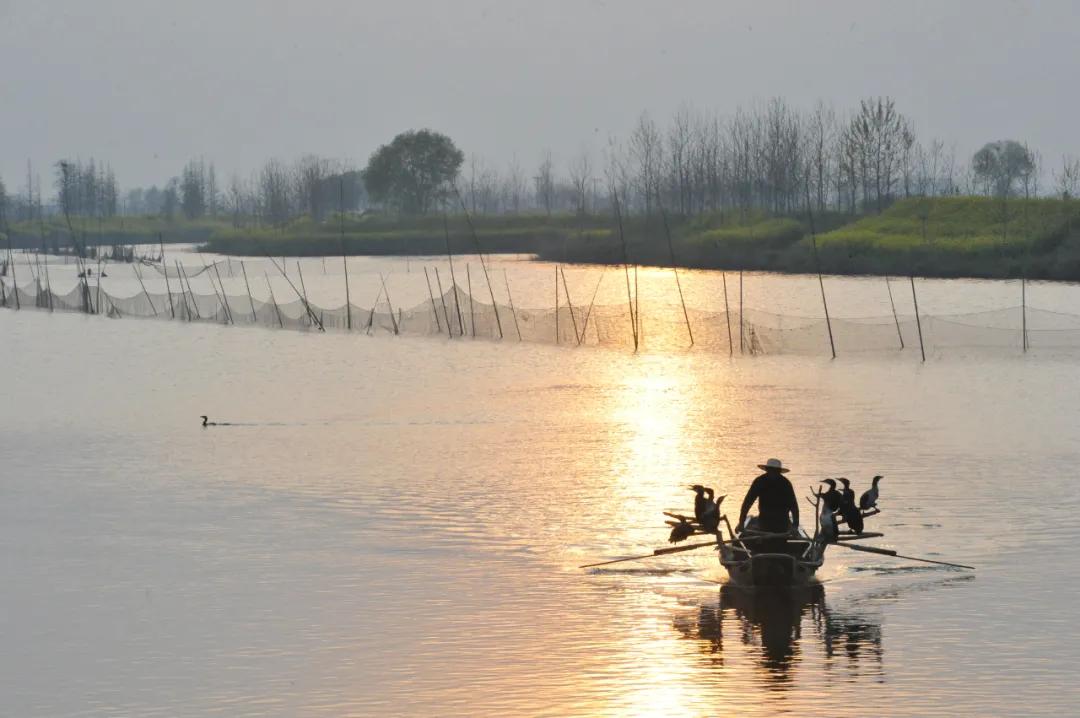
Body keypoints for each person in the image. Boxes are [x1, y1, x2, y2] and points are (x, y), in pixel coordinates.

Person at [736, 458, 799, 537]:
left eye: (775, 471)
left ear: (779, 472)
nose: (773, 473)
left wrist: (795, 526)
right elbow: (748, 502)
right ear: (767, 470)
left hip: (782, 523)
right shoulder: (760, 481)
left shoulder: (786, 483)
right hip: (764, 522)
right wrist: (741, 522)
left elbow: (793, 506)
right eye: (771, 470)